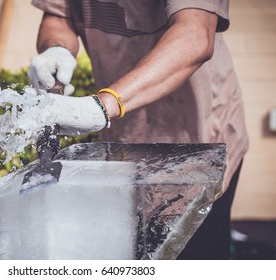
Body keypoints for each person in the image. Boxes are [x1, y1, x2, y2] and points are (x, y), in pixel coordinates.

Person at [27, 0, 249, 260]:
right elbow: (59, 15)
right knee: (135, 253)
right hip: (126, 133)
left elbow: (195, 35)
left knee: (195, 255)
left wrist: (102, 105)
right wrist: (57, 48)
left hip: (199, 133)